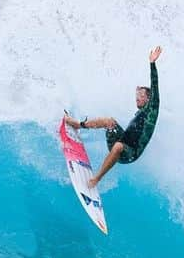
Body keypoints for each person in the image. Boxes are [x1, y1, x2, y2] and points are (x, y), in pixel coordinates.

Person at [65, 46, 162, 188]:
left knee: (117, 147)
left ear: (149, 99)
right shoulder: (141, 112)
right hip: (121, 141)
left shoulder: (152, 109)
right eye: (137, 96)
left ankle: (96, 179)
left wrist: (152, 63)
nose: (137, 99)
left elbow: (154, 86)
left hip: (130, 153)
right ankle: (78, 125)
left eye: (140, 96)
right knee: (109, 121)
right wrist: (139, 89)